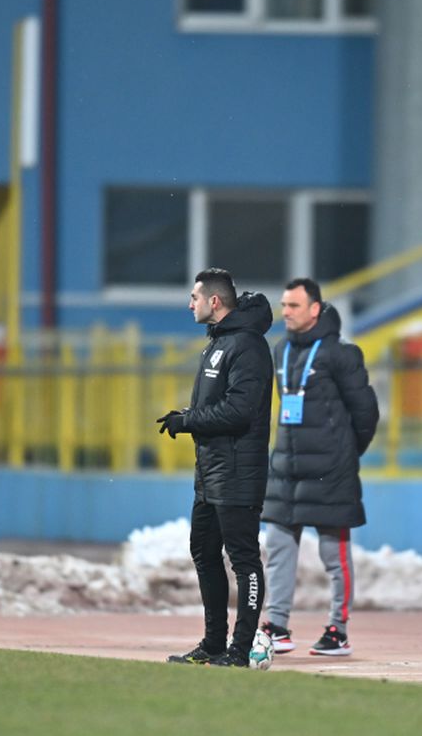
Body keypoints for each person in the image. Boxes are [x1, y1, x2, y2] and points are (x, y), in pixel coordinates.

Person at [158, 268, 273, 668]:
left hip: (239, 472)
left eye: (194, 297)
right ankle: (213, 643)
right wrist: (188, 415)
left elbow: (240, 411)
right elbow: (219, 406)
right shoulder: (218, 344)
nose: (189, 303)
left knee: (243, 559)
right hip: (211, 471)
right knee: (204, 552)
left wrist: (189, 421)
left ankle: (240, 650)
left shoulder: (248, 346)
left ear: (215, 301)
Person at [259, 278, 378, 656]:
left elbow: (366, 413)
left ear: (315, 309)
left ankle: (337, 630)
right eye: (284, 305)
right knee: (278, 545)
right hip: (287, 470)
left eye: (294, 306)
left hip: (330, 471)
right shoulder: (280, 351)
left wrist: (344, 454)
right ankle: (276, 625)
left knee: (334, 553)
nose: (286, 312)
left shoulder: (342, 354)